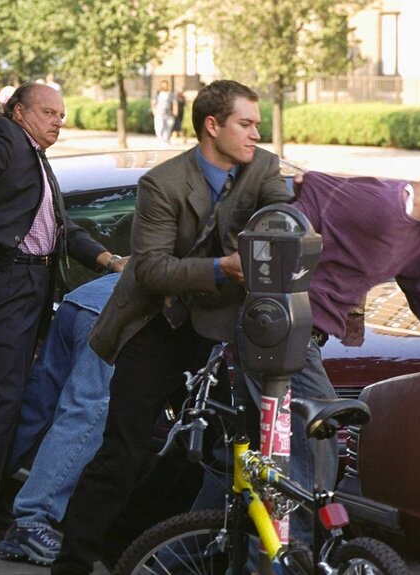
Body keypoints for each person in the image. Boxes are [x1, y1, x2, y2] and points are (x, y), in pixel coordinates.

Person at [190, 150, 420, 547]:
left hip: (300, 339)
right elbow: (302, 195)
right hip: (276, 331)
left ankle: (178, 552)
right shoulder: (374, 200)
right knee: (314, 443)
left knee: (240, 463)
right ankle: (293, 558)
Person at [53, 79, 294, 574]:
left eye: (257, 125)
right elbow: (150, 269)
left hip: (223, 330)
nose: (255, 134)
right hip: (158, 324)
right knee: (124, 450)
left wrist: (277, 231)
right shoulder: (162, 183)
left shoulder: (264, 167)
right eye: (246, 124)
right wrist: (220, 268)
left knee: (205, 455)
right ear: (213, 125)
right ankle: (73, 562)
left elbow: (282, 215)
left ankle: (131, 545)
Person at [0, 82, 125, 555]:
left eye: (61, 114)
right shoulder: (4, 139)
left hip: (30, 288)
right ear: (19, 112)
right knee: (1, 401)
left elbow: (62, 230)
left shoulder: (35, 155)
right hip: (3, 283)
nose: (58, 121)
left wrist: (107, 259)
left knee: (10, 401)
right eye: (48, 112)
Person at [0, 271, 122, 566]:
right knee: (87, 412)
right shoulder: (216, 261)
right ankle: (33, 521)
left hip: (80, 302)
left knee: (34, 411)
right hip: (111, 314)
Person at [151, 80, 175, 144]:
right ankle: (160, 140)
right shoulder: (158, 94)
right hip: (159, 114)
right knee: (159, 129)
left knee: (168, 128)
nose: (164, 86)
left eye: (165, 85)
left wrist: (175, 111)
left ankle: (166, 141)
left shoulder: (171, 94)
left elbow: (174, 103)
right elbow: (153, 103)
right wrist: (154, 111)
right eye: (163, 85)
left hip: (168, 114)